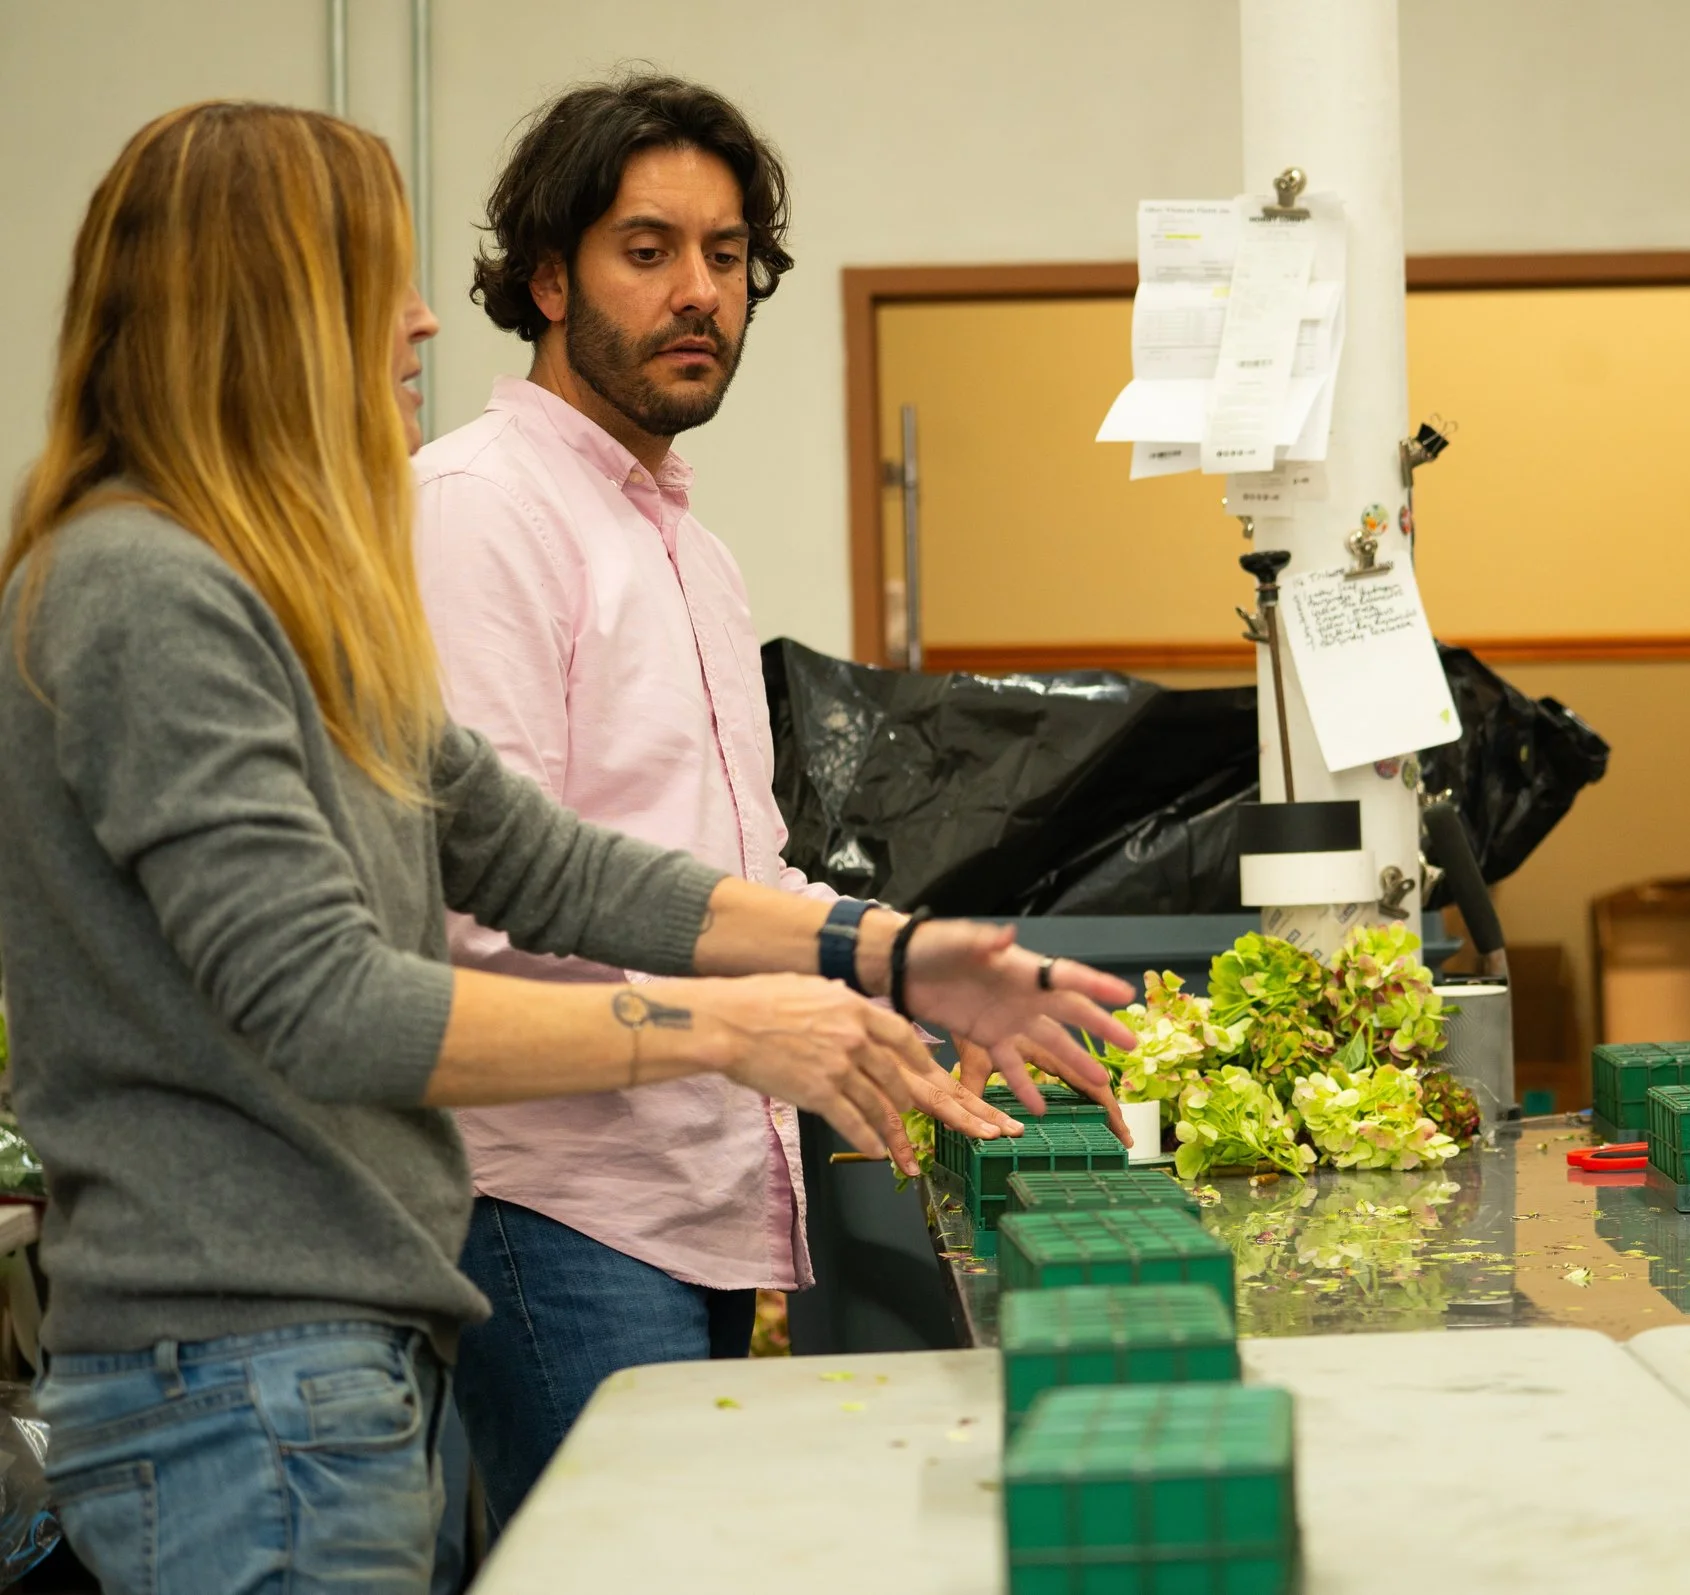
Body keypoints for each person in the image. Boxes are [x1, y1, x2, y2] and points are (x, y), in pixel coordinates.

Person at [0, 101, 1135, 1595]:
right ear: (261, 309)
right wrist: (738, 1026)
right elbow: (330, 996)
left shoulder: (268, 591)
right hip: (244, 1357)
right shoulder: (149, 588)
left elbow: (550, 862)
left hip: (318, 1349)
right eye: (371, 280)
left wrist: (892, 953)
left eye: (726, 255)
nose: (416, 319)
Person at [408, 75, 1127, 1528]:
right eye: (648, 248)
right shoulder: (480, 507)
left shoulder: (689, 548)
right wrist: (763, 1019)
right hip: (555, 1200)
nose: (699, 294)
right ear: (548, 276)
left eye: (728, 258)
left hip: (701, 1185)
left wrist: (924, 966)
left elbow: (736, 870)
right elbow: (478, 904)